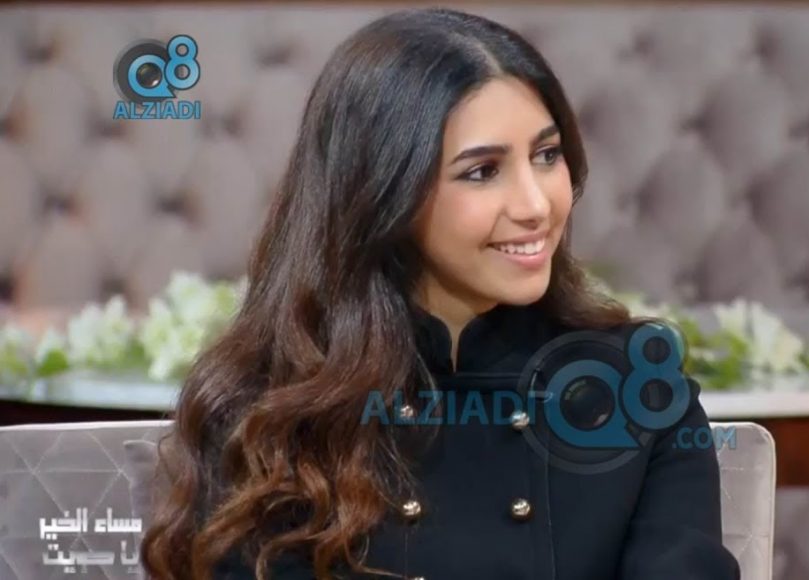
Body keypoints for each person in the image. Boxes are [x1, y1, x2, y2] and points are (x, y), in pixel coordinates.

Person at [140, 7, 740, 580]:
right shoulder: (266, 414)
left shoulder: (636, 388)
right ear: (382, 192)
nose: (536, 204)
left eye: (547, 155)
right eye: (483, 171)